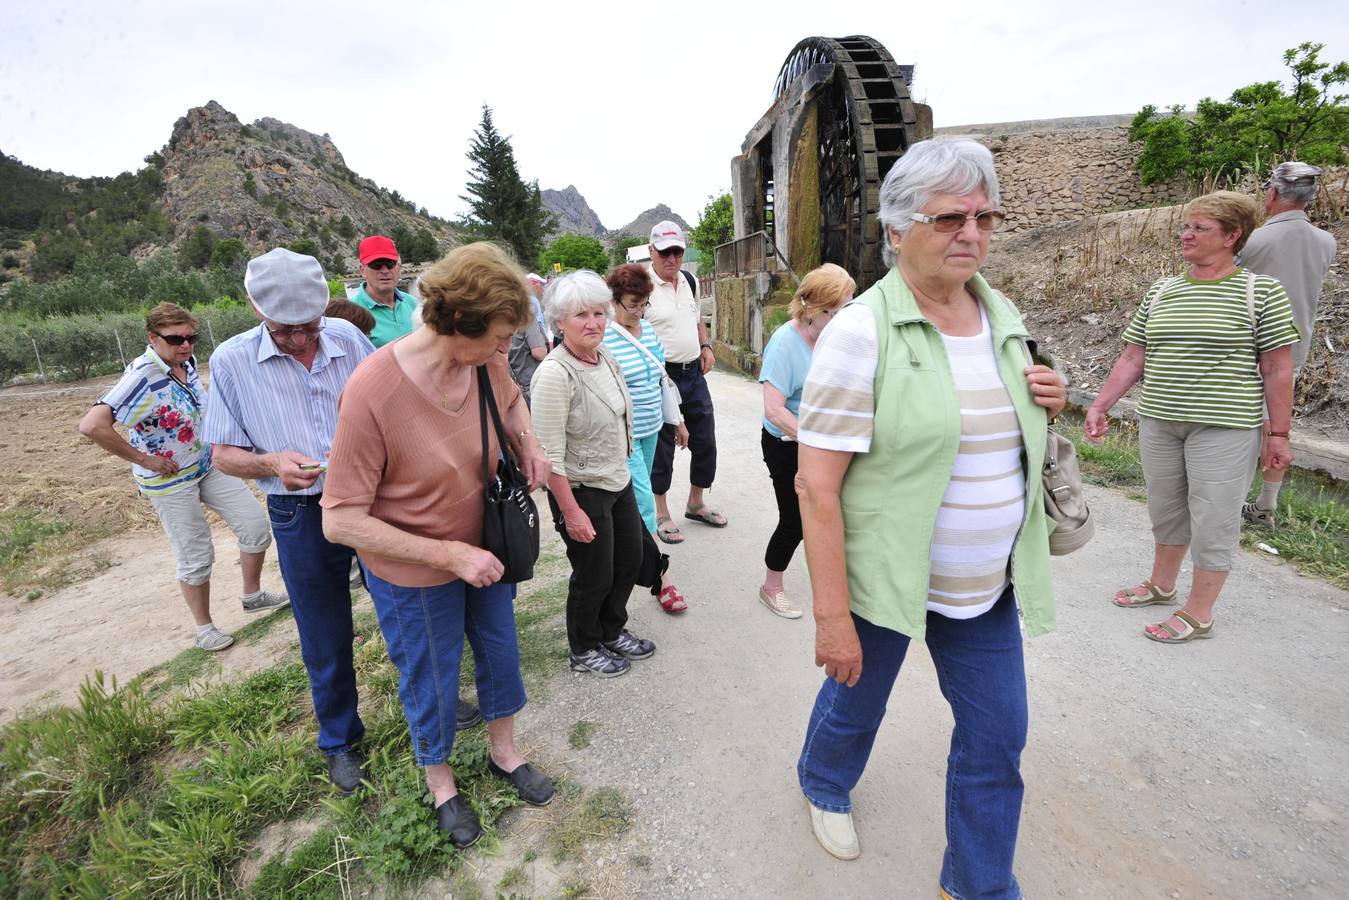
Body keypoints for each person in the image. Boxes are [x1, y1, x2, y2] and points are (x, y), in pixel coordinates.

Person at [794, 139, 1066, 893]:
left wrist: (1047, 397)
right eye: (949, 218)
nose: (971, 233)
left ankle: (977, 883)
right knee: (856, 702)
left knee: (996, 738)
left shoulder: (1000, 313)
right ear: (895, 230)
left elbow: (998, 431)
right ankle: (822, 780)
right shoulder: (859, 333)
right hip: (886, 579)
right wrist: (830, 618)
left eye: (984, 216)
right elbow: (815, 488)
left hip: (984, 585)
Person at [321, 242, 556, 848]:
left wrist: (526, 443)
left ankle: (505, 753)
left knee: (501, 653)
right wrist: (448, 555)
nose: (505, 352)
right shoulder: (372, 392)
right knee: (430, 675)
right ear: (456, 323)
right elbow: (340, 520)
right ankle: (443, 783)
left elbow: (509, 400)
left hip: (486, 543)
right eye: (499, 339)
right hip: (414, 569)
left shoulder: (482, 361)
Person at [1086, 191, 1299, 644]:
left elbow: (1279, 367)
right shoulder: (1164, 290)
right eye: (1186, 225)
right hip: (1161, 421)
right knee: (1165, 509)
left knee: (1214, 518)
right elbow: (1134, 355)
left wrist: (1278, 433)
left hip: (1224, 427)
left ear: (1232, 236)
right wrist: (1101, 403)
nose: (1186, 234)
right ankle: (1162, 585)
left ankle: (1199, 612)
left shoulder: (1260, 292)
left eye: (1199, 228)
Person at [204, 248, 375, 793]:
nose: (302, 341)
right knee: (323, 630)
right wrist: (269, 463)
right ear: (255, 308)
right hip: (298, 512)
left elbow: (390, 405)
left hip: (372, 501)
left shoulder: (349, 340)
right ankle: (341, 740)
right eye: (286, 331)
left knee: (404, 606)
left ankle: (432, 703)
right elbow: (223, 456)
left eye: (309, 327)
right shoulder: (230, 363)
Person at [78, 302, 289, 652]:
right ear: (152, 337)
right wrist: (144, 458)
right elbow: (92, 425)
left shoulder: (185, 365)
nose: (186, 346)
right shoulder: (142, 376)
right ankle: (205, 628)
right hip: (170, 481)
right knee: (196, 555)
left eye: (191, 337)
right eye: (175, 339)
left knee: (254, 525)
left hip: (206, 465)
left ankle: (252, 596)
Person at [530, 270, 655, 677]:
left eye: (599, 313)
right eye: (581, 314)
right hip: (582, 490)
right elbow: (549, 455)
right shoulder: (554, 373)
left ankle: (611, 630)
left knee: (628, 562)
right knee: (593, 574)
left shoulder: (606, 358)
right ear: (559, 321)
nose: (593, 322)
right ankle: (584, 646)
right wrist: (571, 511)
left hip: (616, 480)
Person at [1238, 162, 1336, 526]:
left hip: (1250, 341)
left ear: (1275, 192)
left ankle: (1233, 496)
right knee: (1276, 419)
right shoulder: (1327, 242)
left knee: (1247, 423)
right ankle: (1266, 502)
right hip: (1295, 342)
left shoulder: (1254, 240)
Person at [757, 263, 855, 619]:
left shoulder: (837, 337)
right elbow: (774, 410)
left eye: (848, 308)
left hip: (827, 441)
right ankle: (772, 587)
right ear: (812, 309)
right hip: (787, 443)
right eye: (836, 312)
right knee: (795, 520)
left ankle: (838, 586)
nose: (844, 319)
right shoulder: (786, 343)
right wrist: (815, 439)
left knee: (839, 512)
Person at [603, 263, 690, 614]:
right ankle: (660, 579)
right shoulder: (603, 336)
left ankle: (626, 554)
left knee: (638, 503)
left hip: (654, 427)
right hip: (624, 435)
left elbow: (662, 380)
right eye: (631, 305)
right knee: (642, 502)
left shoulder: (650, 332)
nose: (638, 312)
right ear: (614, 301)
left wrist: (678, 422)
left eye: (643, 305)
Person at [643, 221, 726, 543]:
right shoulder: (642, 286)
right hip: (660, 377)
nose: (671, 259)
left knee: (705, 440)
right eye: (664, 252)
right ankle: (661, 513)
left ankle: (696, 502)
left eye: (676, 251)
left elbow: (696, 320)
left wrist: (705, 346)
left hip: (693, 374)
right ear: (651, 251)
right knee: (662, 447)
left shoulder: (689, 280)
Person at [351, 235, 418, 347]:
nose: (385, 270)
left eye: (390, 264)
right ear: (362, 271)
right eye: (376, 265)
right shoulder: (352, 313)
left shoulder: (413, 303)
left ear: (399, 268)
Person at [508, 273, 551, 404]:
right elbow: (538, 352)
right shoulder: (527, 319)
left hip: (516, 381)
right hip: (532, 383)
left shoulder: (505, 319)